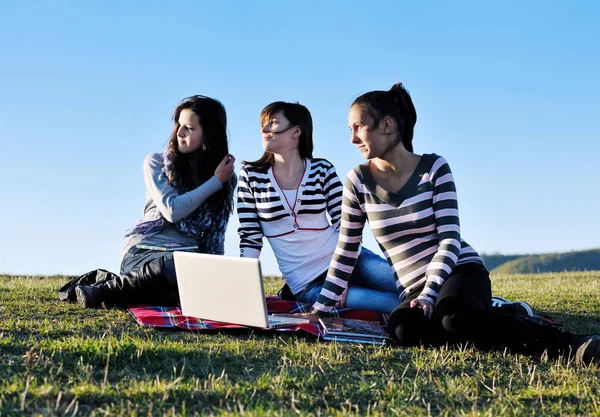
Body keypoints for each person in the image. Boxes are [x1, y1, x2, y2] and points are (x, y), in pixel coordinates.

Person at [308, 83, 599, 364]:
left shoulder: (434, 168)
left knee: (453, 318)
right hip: (414, 287)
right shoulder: (357, 180)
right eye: (350, 130)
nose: (352, 139)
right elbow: (347, 249)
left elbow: (449, 240)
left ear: (387, 125)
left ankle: (569, 345)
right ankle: (505, 316)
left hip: (459, 270)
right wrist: (320, 309)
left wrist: (430, 293)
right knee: (403, 330)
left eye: (359, 127)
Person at [237, 101, 399, 313]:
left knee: (410, 285)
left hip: (351, 260)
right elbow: (250, 235)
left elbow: (346, 223)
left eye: (273, 123)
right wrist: (242, 286)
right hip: (309, 283)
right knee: (392, 304)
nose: (264, 130)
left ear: (296, 131)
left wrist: (341, 275)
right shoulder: (251, 175)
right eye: (263, 124)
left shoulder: (322, 169)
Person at [76, 95, 237, 308]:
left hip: (189, 261)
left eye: (189, 128)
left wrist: (215, 272)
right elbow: (173, 210)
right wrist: (215, 182)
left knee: (200, 284)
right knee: (178, 266)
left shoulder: (226, 179)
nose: (180, 133)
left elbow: (216, 235)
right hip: (144, 254)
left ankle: (117, 293)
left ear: (209, 134)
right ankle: (109, 290)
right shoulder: (157, 162)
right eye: (179, 125)